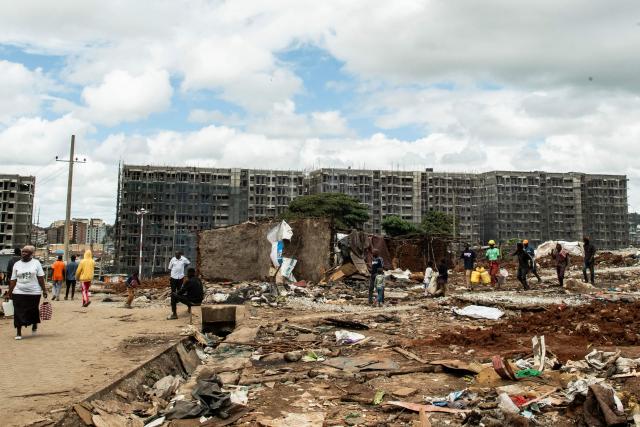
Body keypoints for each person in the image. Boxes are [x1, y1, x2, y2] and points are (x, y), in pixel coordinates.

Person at [7, 246, 47, 340]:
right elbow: (13, 279)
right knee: (18, 312)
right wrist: (10, 292)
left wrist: (44, 290)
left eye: (26, 252)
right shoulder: (17, 264)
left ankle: (34, 323)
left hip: (34, 292)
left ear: (31, 254)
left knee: (32, 310)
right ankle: (18, 332)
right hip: (19, 291)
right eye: (23, 252)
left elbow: (40, 278)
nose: (23, 253)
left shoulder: (36, 263)